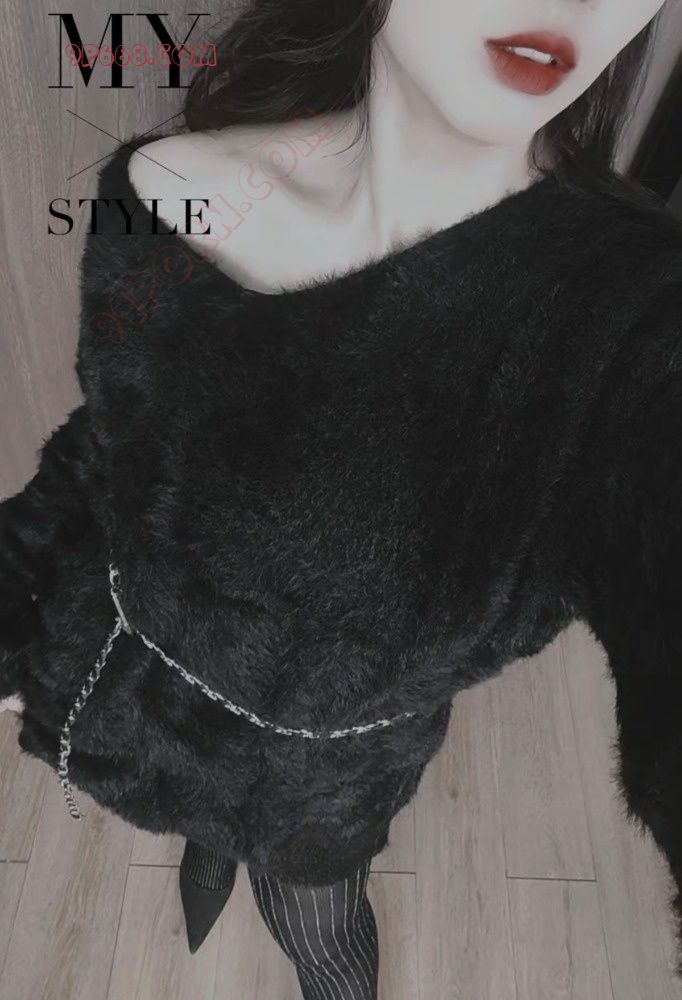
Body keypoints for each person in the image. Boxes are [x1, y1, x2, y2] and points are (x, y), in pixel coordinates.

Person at [2, 2, 681, 997]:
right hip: (131, 719)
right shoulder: (163, 184)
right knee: (205, 841)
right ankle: (207, 846)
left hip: (316, 792)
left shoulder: (625, 326)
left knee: (320, 935)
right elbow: (108, 443)